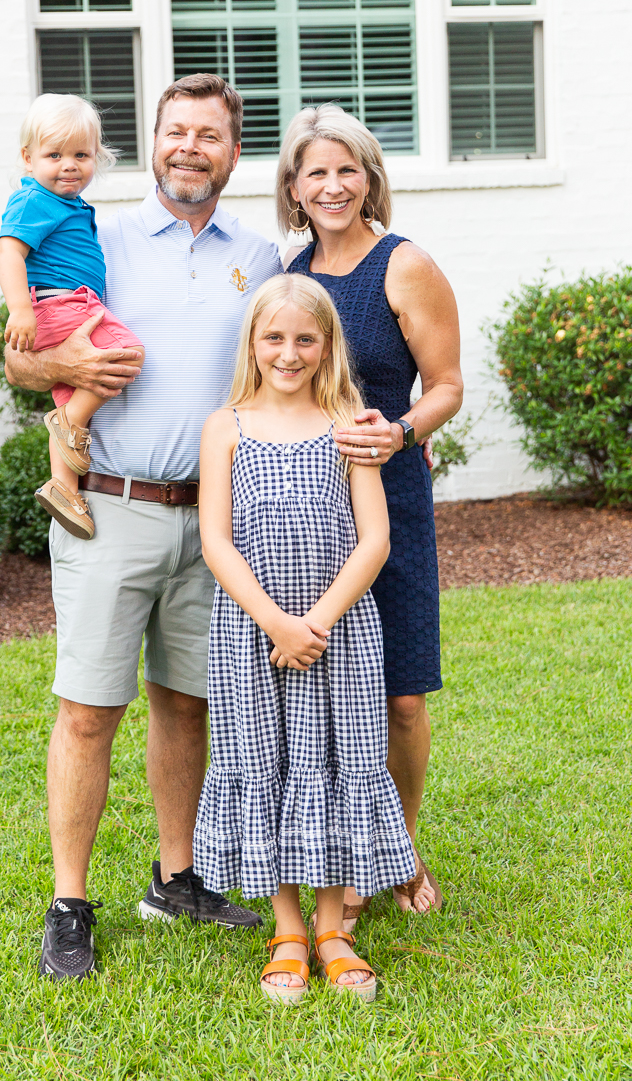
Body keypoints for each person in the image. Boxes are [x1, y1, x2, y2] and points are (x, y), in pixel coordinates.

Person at [4, 74, 282, 981]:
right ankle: (70, 903)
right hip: (109, 509)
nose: (190, 148)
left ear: (233, 153)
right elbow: (21, 354)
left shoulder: (265, 257)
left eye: (210, 135)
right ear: (153, 143)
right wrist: (60, 355)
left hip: (213, 518)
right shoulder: (98, 232)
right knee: (89, 711)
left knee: (185, 703)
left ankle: (177, 877)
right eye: (176, 132)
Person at [194, 273, 422, 1005]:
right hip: (252, 634)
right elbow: (215, 541)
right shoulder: (225, 426)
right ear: (253, 344)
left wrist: (315, 623)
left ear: (326, 347)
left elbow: (376, 540)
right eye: (274, 338)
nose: (288, 353)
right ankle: (286, 928)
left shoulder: (350, 421)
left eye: (304, 339)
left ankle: (333, 928)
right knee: (270, 764)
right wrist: (275, 622)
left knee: (335, 764)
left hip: (340, 635)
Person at [280, 105, 464, 918]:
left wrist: (399, 434)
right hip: (308, 511)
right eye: (316, 171)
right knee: (330, 687)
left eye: (347, 169)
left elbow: (449, 385)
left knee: (401, 693)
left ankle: (399, 846)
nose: (332, 185)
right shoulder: (291, 276)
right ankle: (331, 851)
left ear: (370, 180)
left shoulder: (405, 265)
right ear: (294, 186)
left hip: (391, 495)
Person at [0, 93, 145, 541]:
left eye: (81, 155)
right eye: (54, 155)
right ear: (28, 158)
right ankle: (68, 425)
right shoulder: (34, 200)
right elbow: (9, 251)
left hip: (68, 305)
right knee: (127, 351)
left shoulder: (71, 205)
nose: (69, 165)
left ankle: (64, 488)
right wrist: (20, 308)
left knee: (72, 392)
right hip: (62, 305)